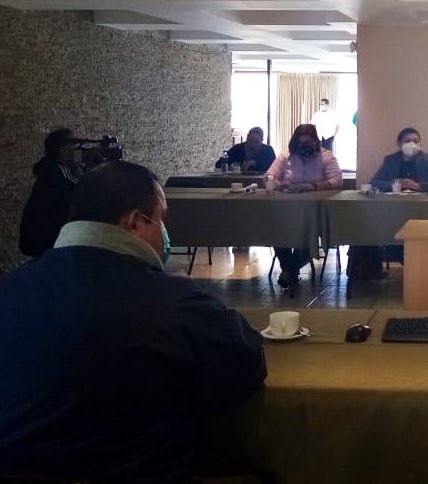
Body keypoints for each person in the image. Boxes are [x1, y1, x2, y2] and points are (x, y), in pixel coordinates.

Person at [0, 162, 267, 481]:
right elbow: (245, 365)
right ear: (136, 222)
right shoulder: (173, 302)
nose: (165, 233)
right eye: (161, 220)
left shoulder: (9, 290)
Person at [266, 124, 341, 291]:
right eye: (301, 143)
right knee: (276, 232)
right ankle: (290, 270)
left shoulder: (326, 156)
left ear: (315, 141)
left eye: (308, 143)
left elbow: (337, 181)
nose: (304, 147)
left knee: (309, 237)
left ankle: (288, 271)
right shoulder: (286, 156)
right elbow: (270, 175)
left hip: (314, 210)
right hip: (287, 210)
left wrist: (314, 186)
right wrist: (278, 183)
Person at [19, 128, 83, 258]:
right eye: (74, 146)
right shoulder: (53, 175)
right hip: (47, 244)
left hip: (52, 243)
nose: (78, 150)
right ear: (62, 151)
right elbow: (73, 200)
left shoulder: (62, 169)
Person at [370, 127, 428, 193]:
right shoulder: (391, 160)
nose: (412, 144)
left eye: (415, 141)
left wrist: (418, 186)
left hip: (421, 201)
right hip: (395, 201)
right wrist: (396, 184)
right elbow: (374, 183)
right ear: (399, 144)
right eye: (407, 141)